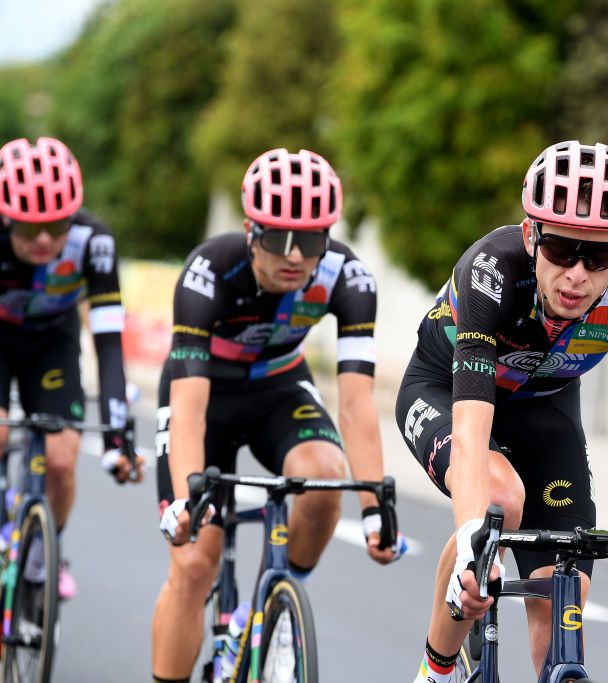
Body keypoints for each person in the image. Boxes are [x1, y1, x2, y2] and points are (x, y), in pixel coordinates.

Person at [399, 140, 608, 681]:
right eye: (561, 250)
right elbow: (473, 428)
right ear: (531, 235)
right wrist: (475, 541)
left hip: (546, 410)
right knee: (498, 502)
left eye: (597, 257)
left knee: (559, 596)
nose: (576, 275)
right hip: (448, 390)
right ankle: (435, 670)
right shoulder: (492, 268)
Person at [150, 148, 401, 682]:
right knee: (194, 564)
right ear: (250, 231)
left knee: (327, 476)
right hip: (204, 393)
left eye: (310, 241)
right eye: (278, 239)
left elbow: (356, 403)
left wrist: (374, 503)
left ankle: (264, 612)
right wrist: (186, 497)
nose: (294, 256)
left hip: (277, 386)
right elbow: (189, 408)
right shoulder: (209, 270)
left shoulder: (348, 278)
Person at [0, 136, 141, 600]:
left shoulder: (93, 241)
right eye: (28, 227)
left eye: (56, 224)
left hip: (53, 344)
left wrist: (119, 432)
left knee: (61, 460)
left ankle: (45, 553)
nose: (44, 239)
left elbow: (109, 341)